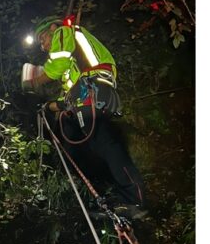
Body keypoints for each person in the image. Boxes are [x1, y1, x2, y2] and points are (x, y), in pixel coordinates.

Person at [23, 15, 147, 219]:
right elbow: (69, 87)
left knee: (105, 143)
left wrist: (34, 79)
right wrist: (52, 105)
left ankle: (134, 200)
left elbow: (58, 65)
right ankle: (108, 197)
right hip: (84, 91)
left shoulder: (64, 32)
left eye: (42, 40)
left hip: (94, 86)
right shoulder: (75, 61)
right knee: (84, 146)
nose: (44, 47)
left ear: (53, 28)